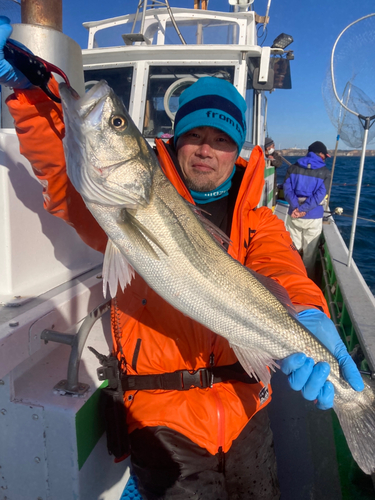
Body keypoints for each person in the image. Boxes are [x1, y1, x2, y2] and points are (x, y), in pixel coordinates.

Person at [0, 17, 363, 500]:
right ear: (175, 139)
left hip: (245, 410)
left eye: (221, 140)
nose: (206, 151)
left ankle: (359, 405)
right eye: (194, 136)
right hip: (163, 418)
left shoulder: (257, 219)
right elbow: (65, 175)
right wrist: (26, 94)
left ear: (236, 149)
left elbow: (281, 267)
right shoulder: (121, 204)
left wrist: (308, 312)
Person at [283, 141, 331, 279]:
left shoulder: (293, 168)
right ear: (320, 154)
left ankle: (293, 279)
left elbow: (287, 189)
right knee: (309, 254)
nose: (324, 158)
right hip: (313, 217)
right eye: (324, 155)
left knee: (294, 250)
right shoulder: (325, 172)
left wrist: (296, 208)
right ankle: (306, 282)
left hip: (294, 215)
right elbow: (320, 195)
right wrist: (304, 209)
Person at [264, 137, 283, 206]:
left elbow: (279, 163)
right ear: (268, 147)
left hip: (272, 180)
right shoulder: (261, 153)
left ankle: (272, 206)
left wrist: (272, 160)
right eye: (273, 146)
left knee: (272, 194)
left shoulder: (274, 154)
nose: (274, 148)